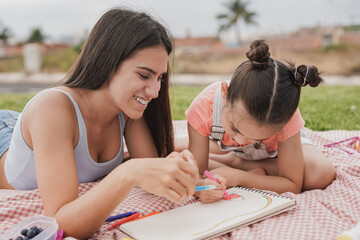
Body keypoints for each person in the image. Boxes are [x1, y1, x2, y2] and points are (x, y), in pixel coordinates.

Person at [0, 8, 201, 239]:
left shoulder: (127, 110)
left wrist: (182, 173)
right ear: (108, 62)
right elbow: (61, 224)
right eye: (144, 76)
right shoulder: (52, 109)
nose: (155, 91)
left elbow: (149, 170)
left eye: (160, 78)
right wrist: (127, 172)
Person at [185, 40, 336, 203]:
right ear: (224, 93)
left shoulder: (286, 117)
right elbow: (197, 176)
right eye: (236, 129)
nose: (242, 142)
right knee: (172, 151)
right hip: (228, 148)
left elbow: (292, 185)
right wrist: (202, 189)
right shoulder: (203, 107)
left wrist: (239, 178)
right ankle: (232, 159)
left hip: (275, 155)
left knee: (320, 174)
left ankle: (234, 163)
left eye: (257, 139)